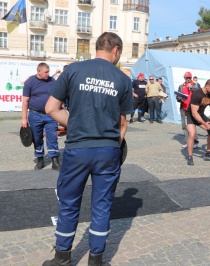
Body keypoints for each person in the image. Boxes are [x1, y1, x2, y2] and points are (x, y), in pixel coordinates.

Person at [43, 32, 133, 266]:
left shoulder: (73, 70)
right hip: (107, 150)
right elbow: (123, 125)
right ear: (116, 50)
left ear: (97, 48)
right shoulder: (122, 79)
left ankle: (62, 257)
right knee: (102, 207)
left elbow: (51, 108)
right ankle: (96, 260)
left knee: (69, 203)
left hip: (77, 149)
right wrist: (115, 144)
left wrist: (76, 124)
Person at [21, 63, 60, 171]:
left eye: (48, 71)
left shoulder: (52, 81)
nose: (48, 74)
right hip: (35, 115)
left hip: (50, 114)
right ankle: (40, 160)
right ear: (39, 72)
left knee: (52, 137)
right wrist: (24, 118)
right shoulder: (30, 82)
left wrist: (60, 111)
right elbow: (25, 101)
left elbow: (58, 96)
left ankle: (55, 160)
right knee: (37, 138)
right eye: (46, 72)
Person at [185, 79, 210, 166]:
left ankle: (208, 152)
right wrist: (204, 123)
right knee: (192, 134)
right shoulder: (197, 94)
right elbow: (194, 113)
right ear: (207, 86)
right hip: (190, 116)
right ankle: (190, 156)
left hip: (200, 115)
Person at [177, 71, 199, 149]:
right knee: (184, 125)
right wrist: (180, 99)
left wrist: (191, 88)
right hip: (183, 108)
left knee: (192, 125)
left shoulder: (196, 85)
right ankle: (188, 141)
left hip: (192, 108)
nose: (188, 79)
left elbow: (199, 93)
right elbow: (178, 97)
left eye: (189, 78)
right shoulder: (181, 86)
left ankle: (195, 141)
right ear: (184, 78)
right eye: (187, 78)